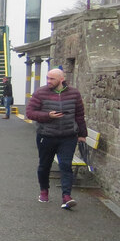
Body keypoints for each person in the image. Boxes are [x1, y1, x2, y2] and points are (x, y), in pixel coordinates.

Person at [25, 68, 86, 209]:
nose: (48, 81)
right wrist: (48, 116)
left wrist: (82, 134)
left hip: (68, 136)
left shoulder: (74, 93)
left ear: (61, 79)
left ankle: (66, 197)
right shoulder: (40, 92)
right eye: (47, 78)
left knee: (65, 165)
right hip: (46, 136)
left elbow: (79, 115)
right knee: (44, 165)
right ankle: (44, 191)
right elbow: (30, 113)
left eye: (52, 79)